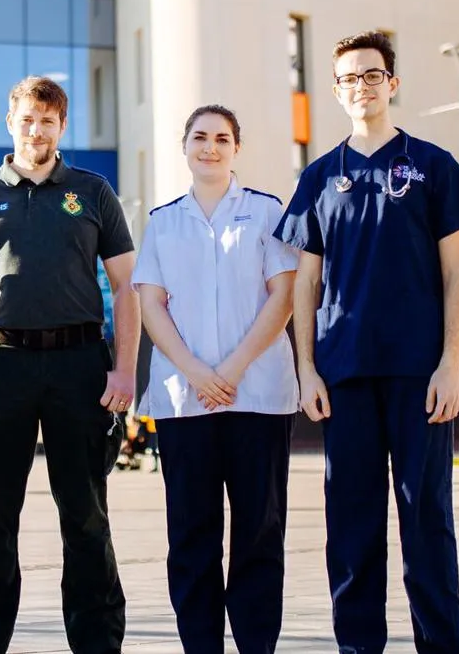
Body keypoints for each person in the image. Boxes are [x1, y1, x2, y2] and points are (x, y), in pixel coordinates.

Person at [274, 32, 459, 654]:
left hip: (420, 375)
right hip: (343, 376)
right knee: (352, 529)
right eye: (348, 78)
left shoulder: (432, 165)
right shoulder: (320, 177)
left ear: (392, 84)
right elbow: (306, 283)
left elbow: (457, 274)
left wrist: (451, 365)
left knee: (427, 525)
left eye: (372, 75)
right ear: (336, 91)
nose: (361, 87)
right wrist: (307, 371)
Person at [0, 76, 140, 654]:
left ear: (61, 126)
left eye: (47, 121)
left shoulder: (92, 191)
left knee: (86, 516)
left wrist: (124, 370)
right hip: (1, 364)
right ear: (10, 121)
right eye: (27, 119)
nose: (36, 130)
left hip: (81, 365)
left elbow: (127, 286)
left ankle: (98, 644)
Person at [133, 104, 298, 654]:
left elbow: (283, 297)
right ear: (185, 146)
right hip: (186, 402)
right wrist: (199, 373)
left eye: (222, 138)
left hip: (258, 397)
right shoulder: (163, 220)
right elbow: (152, 305)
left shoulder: (267, 212)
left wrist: (229, 370)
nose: (210, 147)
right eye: (200, 137)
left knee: (258, 533)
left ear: (236, 149)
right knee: (192, 536)